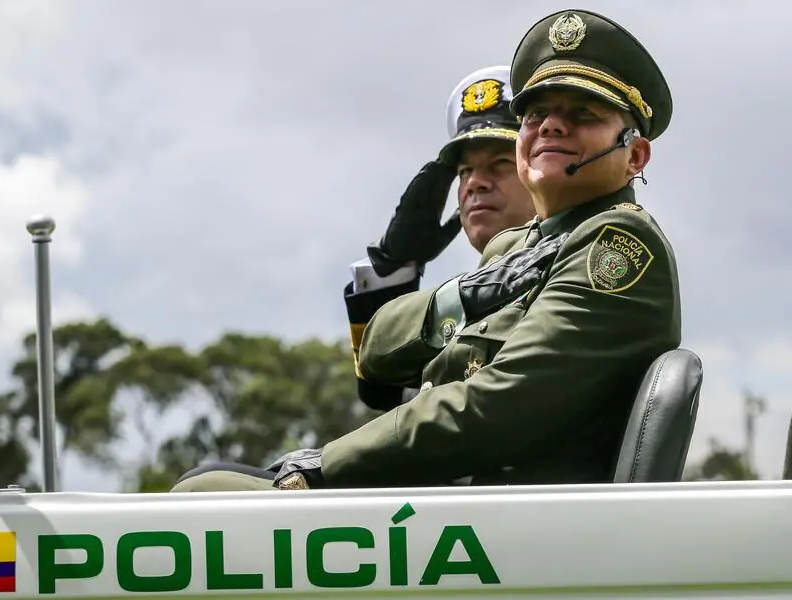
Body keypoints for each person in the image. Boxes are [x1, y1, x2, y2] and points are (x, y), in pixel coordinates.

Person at [171, 8, 681, 493]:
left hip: (510, 521)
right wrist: (438, 285)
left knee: (205, 493)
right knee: (208, 484)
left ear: (634, 153)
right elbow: (376, 363)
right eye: (537, 114)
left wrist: (323, 466)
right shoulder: (516, 249)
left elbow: (495, 409)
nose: (550, 125)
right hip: (464, 505)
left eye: (582, 113)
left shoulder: (616, 244)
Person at [346, 65, 535, 412]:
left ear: (536, 168)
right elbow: (384, 393)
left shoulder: (560, 266)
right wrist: (394, 268)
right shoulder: (476, 291)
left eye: (500, 164)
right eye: (465, 172)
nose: (475, 183)